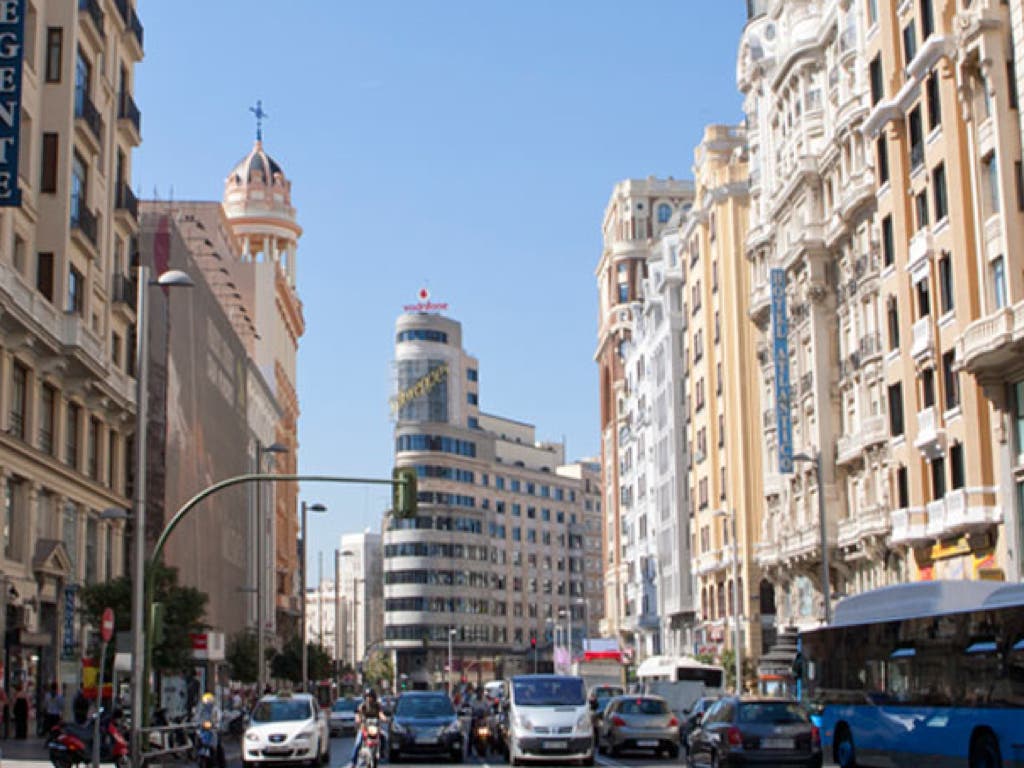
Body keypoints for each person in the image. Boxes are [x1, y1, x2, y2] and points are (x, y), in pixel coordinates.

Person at [348, 688, 387, 768]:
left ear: (374, 697)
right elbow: (358, 713)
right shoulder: (362, 705)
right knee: (358, 743)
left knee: (384, 737)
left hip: (375, 728)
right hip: (364, 728)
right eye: (367, 696)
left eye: (370, 696)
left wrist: (384, 718)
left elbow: (381, 713)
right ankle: (353, 762)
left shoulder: (377, 705)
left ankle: (382, 753)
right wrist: (358, 719)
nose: (369, 698)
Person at [194, 692, 226, 768]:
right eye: (206, 700)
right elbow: (197, 716)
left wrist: (217, 724)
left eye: (209, 700)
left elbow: (219, 716)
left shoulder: (215, 708)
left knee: (219, 745)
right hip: (203, 729)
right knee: (197, 738)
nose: (207, 701)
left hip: (213, 729)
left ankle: (221, 762)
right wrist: (196, 722)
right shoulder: (201, 709)